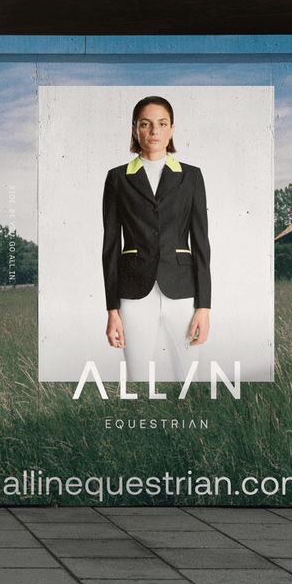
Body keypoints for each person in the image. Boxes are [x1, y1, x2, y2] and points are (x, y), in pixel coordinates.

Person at [101, 95, 211, 382]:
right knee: (137, 381)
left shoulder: (192, 177)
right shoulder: (117, 178)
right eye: (146, 124)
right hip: (134, 293)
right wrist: (112, 309)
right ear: (135, 129)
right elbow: (110, 248)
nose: (154, 131)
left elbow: (201, 244)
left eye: (162, 124)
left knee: (188, 383)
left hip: (183, 293)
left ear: (172, 129)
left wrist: (204, 307)